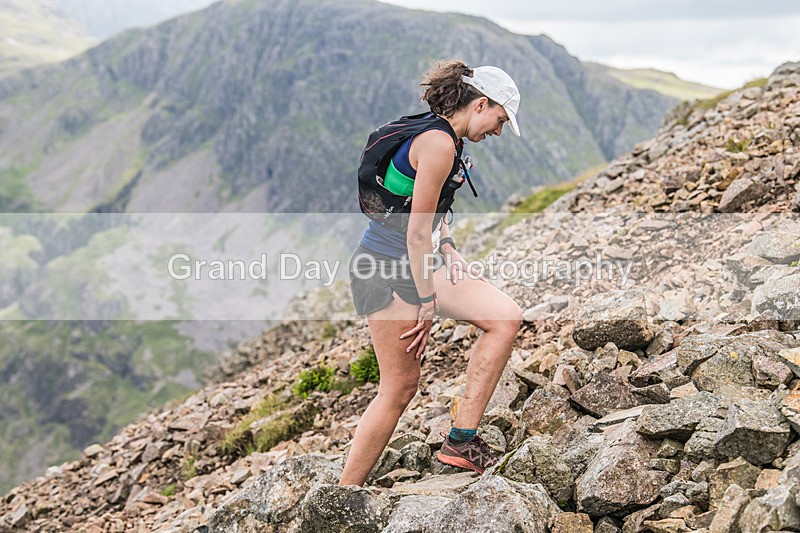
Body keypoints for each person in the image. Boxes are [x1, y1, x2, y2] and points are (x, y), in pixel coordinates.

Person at [340, 60, 523, 486]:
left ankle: (461, 441)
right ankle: (344, 492)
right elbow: (416, 233)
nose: (498, 131)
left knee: (505, 318)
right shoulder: (438, 144)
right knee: (399, 388)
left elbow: (431, 211)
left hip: (416, 260)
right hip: (384, 268)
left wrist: (449, 248)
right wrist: (426, 302)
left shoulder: (445, 137)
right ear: (481, 104)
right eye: (500, 120)